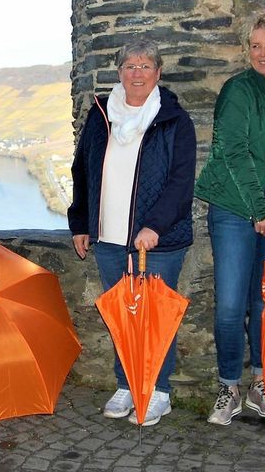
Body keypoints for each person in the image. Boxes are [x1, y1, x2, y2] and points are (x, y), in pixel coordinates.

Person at [68, 38, 197, 426]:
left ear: (158, 73)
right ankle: (127, 384)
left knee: (157, 317)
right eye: (129, 66)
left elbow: (180, 182)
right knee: (122, 317)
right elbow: (83, 171)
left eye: (145, 66)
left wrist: (153, 226)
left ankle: (158, 391)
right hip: (108, 239)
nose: (137, 73)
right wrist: (80, 223)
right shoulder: (100, 116)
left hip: (158, 241)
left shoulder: (175, 120)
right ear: (119, 73)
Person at [195, 7, 265, 425]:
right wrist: (260, 212)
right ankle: (228, 387)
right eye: (255, 46)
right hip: (236, 207)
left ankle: (263, 384)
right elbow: (232, 153)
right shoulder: (237, 91)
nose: (263, 53)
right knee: (229, 304)